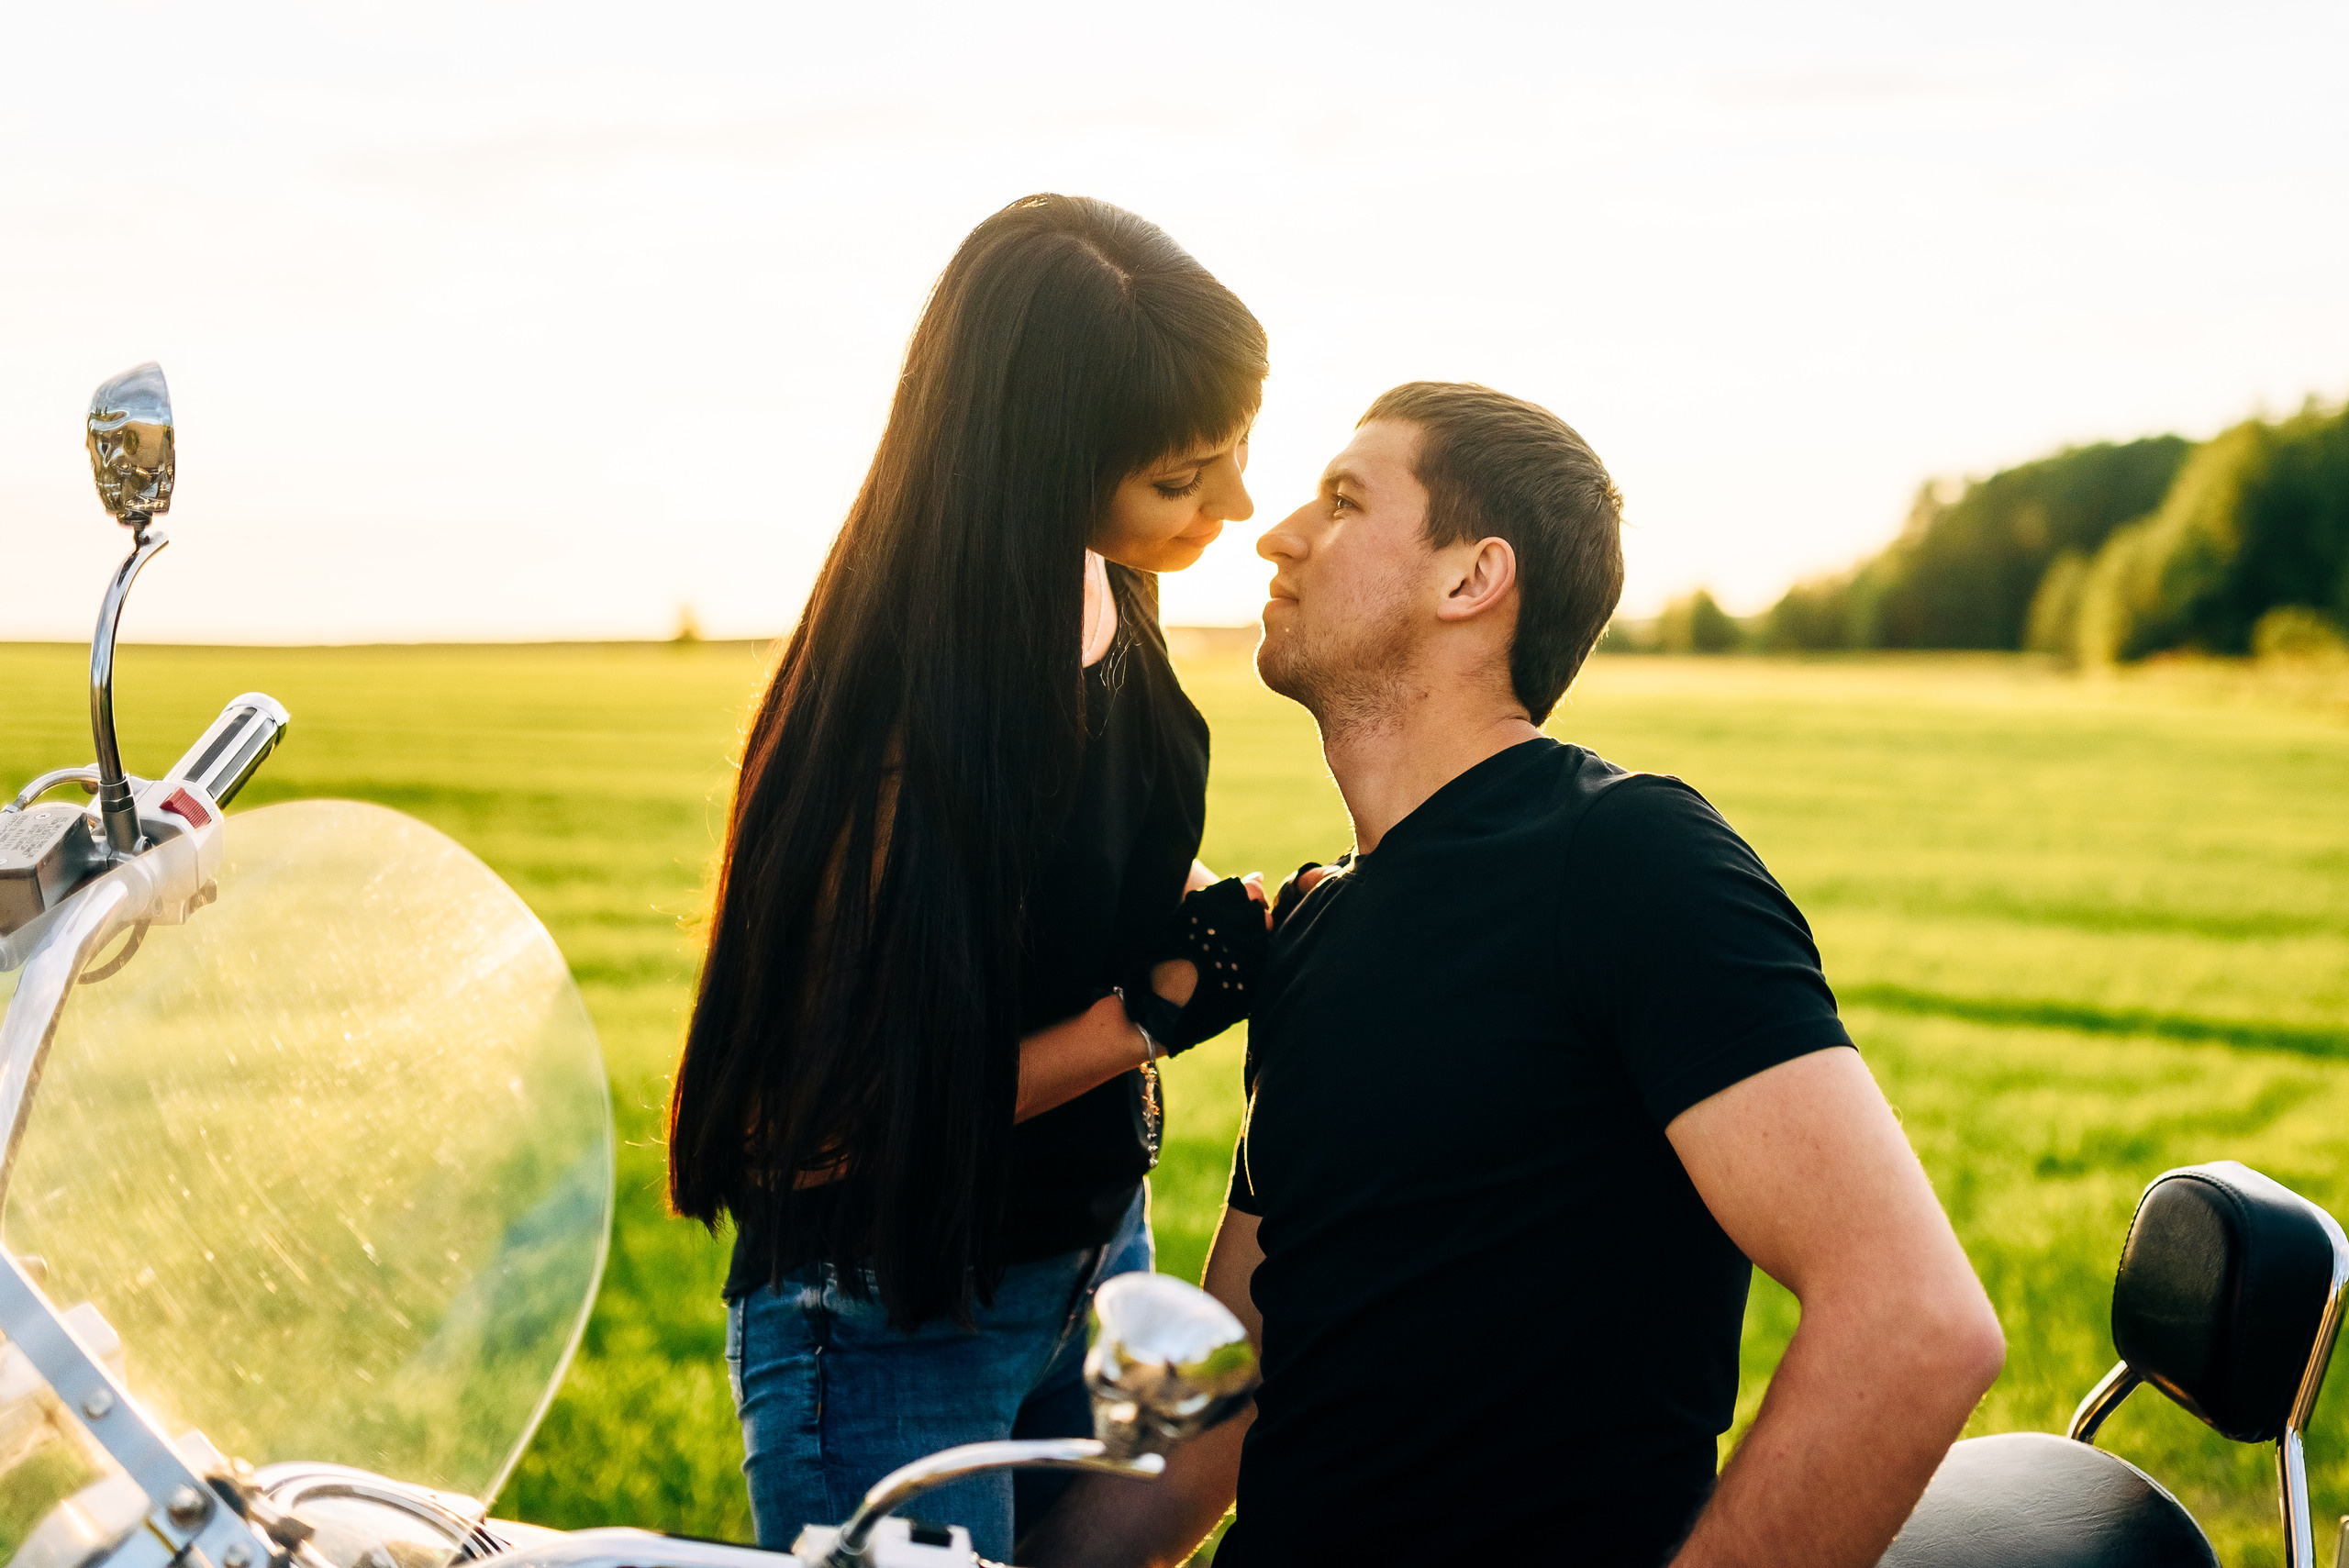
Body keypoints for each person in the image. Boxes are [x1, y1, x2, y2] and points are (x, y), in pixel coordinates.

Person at [1021, 383, 2007, 1567]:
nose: (1275, 534)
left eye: (1343, 501)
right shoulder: (1315, 927)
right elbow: (1230, 1388)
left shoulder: (1631, 857)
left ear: (1471, 578)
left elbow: (1913, 1323)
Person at [664, 194, 1277, 1562]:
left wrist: (1237, 910)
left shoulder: (1104, 575)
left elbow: (1084, 852)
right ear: (1042, 467)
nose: (1236, 505)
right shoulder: (903, 722)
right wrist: (1152, 1011)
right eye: (1185, 477)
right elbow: (853, 1113)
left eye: (1235, 449)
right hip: (891, 1313)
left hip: (1079, 1255)